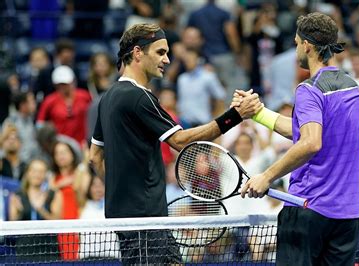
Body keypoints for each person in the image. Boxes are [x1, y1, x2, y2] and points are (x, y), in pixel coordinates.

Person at [89, 23, 262, 265]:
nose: (168, 60)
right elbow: (180, 141)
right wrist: (234, 115)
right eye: (160, 52)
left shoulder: (107, 97)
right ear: (138, 53)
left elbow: (94, 157)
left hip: (130, 220)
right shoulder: (138, 97)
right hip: (147, 222)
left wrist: (122, 193)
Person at [236, 12, 359, 265]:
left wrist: (266, 176)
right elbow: (304, 131)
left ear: (307, 45)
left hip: (308, 209)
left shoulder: (309, 89)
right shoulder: (352, 87)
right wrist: (258, 114)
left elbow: (310, 142)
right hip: (347, 215)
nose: (296, 51)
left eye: (296, 43)